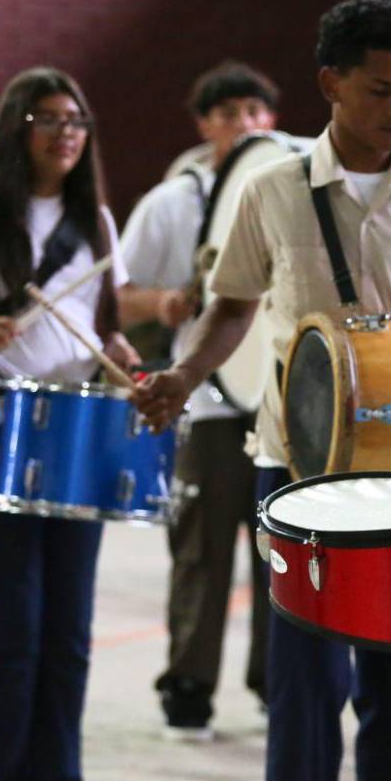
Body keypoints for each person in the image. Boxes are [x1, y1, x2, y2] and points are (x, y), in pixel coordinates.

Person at [132, 0, 391, 781]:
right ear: (331, 83)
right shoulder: (272, 191)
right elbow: (232, 307)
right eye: (380, 90)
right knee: (305, 685)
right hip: (298, 468)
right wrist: (180, 379)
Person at [0, 67, 138, 781]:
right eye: (47, 119)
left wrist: (125, 355)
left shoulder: (94, 221)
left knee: (69, 628)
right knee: (14, 625)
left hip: (78, 424)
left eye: (75, 120)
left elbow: (109, 325)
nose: (65, 132)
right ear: (16, 129)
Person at [118, 60, 279, 739]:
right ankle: (188, 688)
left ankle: (278, 683)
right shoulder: (170, 203)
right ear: (204, 124)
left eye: (255, 111)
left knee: (282, 553)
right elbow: (120, 300)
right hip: (208, 403)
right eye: (229, 112)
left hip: (275, 403)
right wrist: (164, 302)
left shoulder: (286, 186)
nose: (244, 123)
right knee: (201, 554)